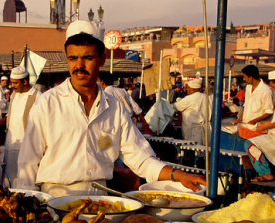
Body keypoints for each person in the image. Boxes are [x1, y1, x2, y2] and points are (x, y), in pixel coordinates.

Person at [16, 20, 205, 197]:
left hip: (99, 199)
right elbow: (28, 163)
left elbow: (141, 158)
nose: (79, 66)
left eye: (87, 58)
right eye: (73, 58)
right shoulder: (48, 103)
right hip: (55, 198)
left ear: (102, 60)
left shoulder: (114, 107)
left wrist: (178, 175)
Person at [1, 66, 41, 188]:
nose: (12, 85)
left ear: (24, 82)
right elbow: (13, 113)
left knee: (25, 180)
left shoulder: (38, 97)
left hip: (27, 145)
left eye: (15, 83)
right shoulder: (14, 94)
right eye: (11, 82)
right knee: (10, 178)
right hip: (11, 143)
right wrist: (3, 120)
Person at [173, 78, 211, 145]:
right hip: (206, 130)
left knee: (193, 151)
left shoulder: (189, 99)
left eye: (187, 88)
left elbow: (175, 106)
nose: (186, 89)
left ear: (192, 89)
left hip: (193, 132)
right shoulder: (207, 98)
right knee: (205, 152)